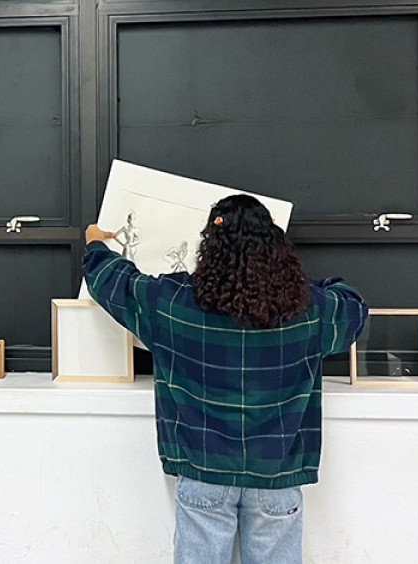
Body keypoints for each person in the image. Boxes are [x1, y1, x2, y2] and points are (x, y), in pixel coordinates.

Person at [83, 194, 368, 564]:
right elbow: (352, 305)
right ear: (276, 246)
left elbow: (115, 283)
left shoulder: (174, 303)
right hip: (276, 476)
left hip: (204, 472)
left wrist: (95, 245)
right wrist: (295, 284)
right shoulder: (310, 311)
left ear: (208, 246)